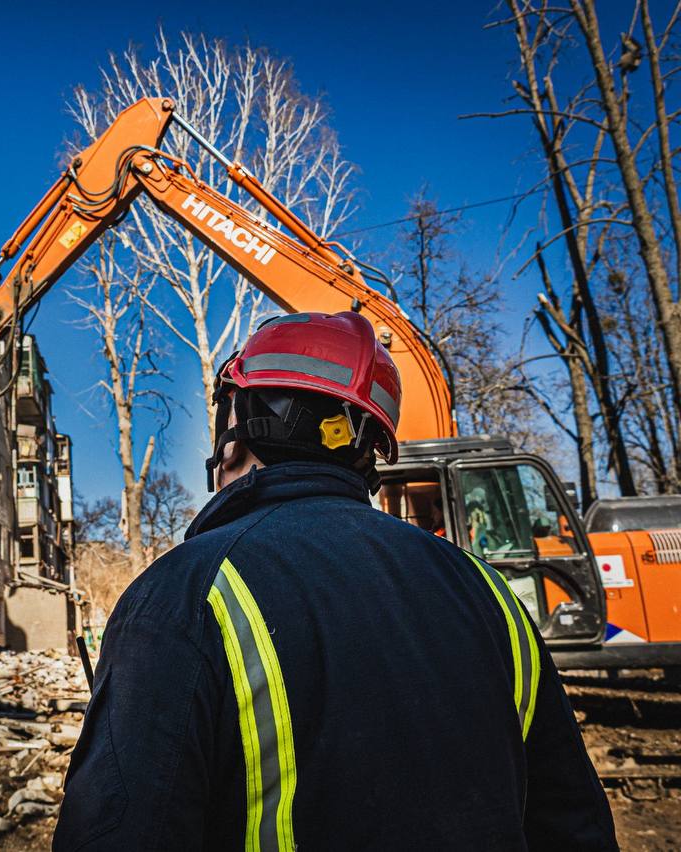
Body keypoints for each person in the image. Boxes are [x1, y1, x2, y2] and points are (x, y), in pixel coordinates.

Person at [54, 311, 615, 851]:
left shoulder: (184, 593)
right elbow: (572, 823)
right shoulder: (488, 591)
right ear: (370, 451)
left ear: (238, 429)